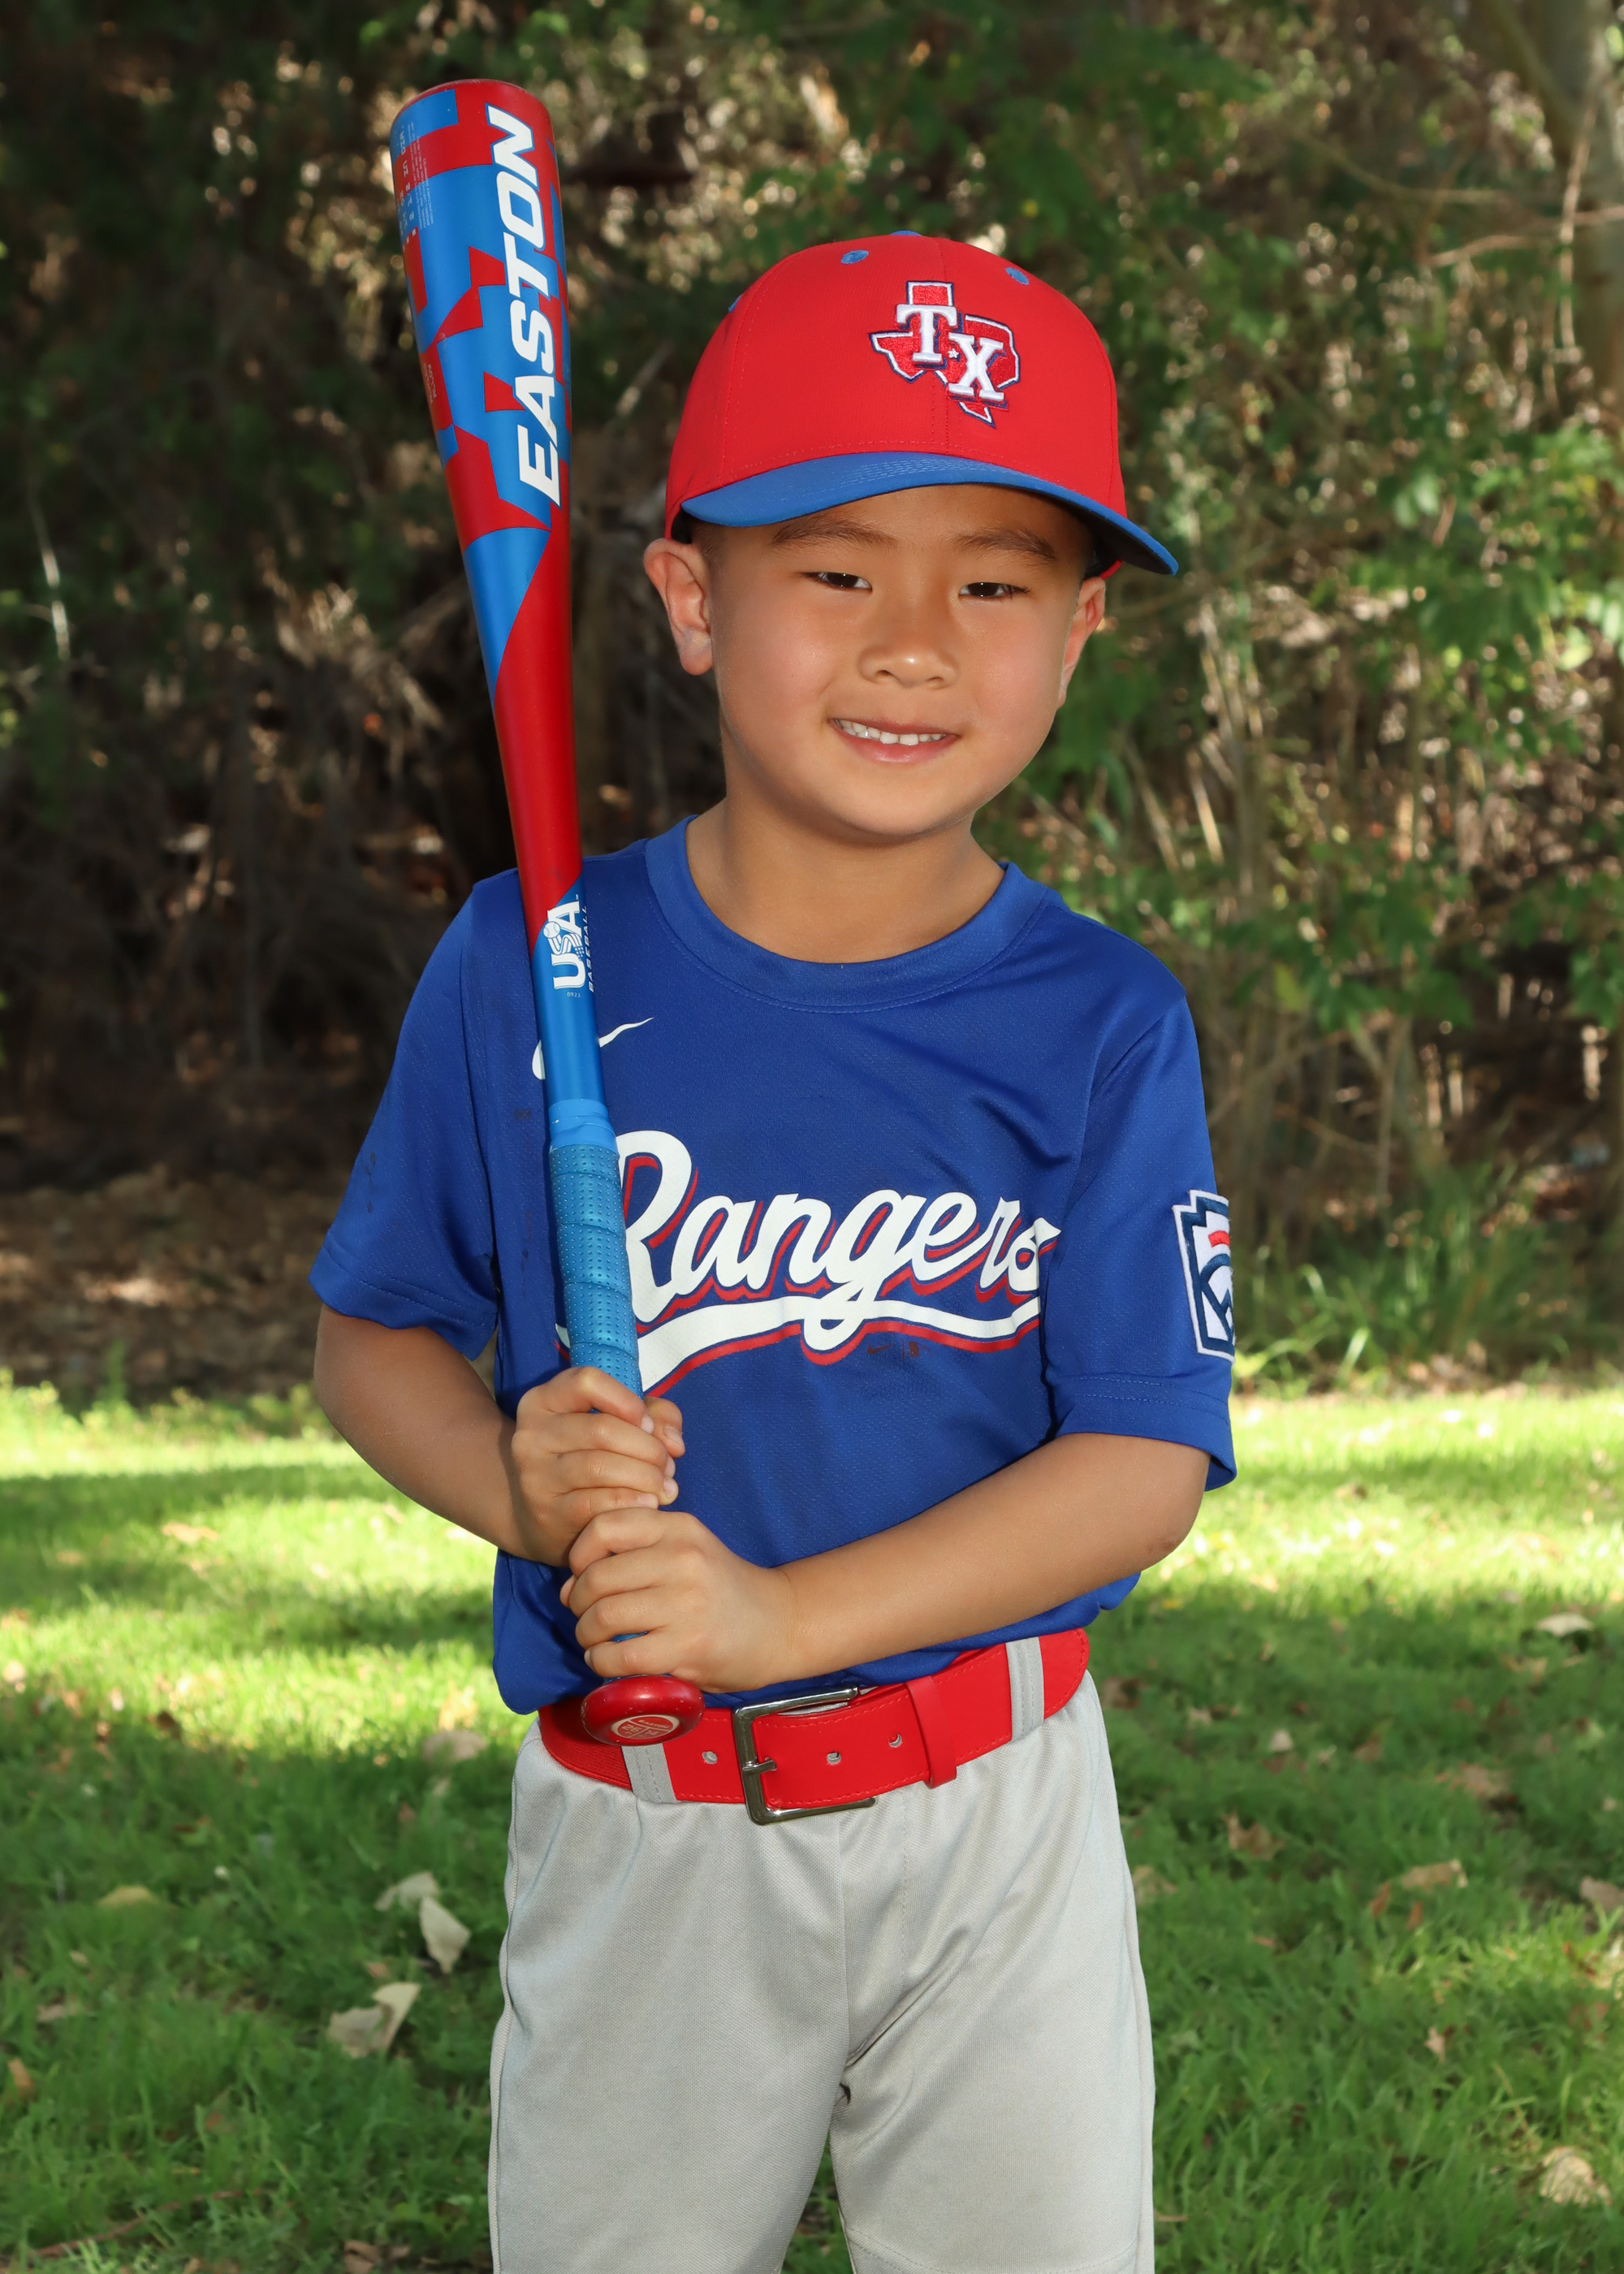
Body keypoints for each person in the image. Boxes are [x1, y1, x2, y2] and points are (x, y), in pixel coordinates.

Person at [312, 233, 1235, 2274]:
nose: (913, 643)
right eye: (834, 568)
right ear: (688, 598)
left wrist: (780, 1614)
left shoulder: (1100, 1020)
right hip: (650, 1819)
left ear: (1078, 630)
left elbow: (1140, 1463)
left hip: (994, 1794)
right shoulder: (526, 961)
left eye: (992, 582)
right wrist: (518, 1488)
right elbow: (373, 1340)